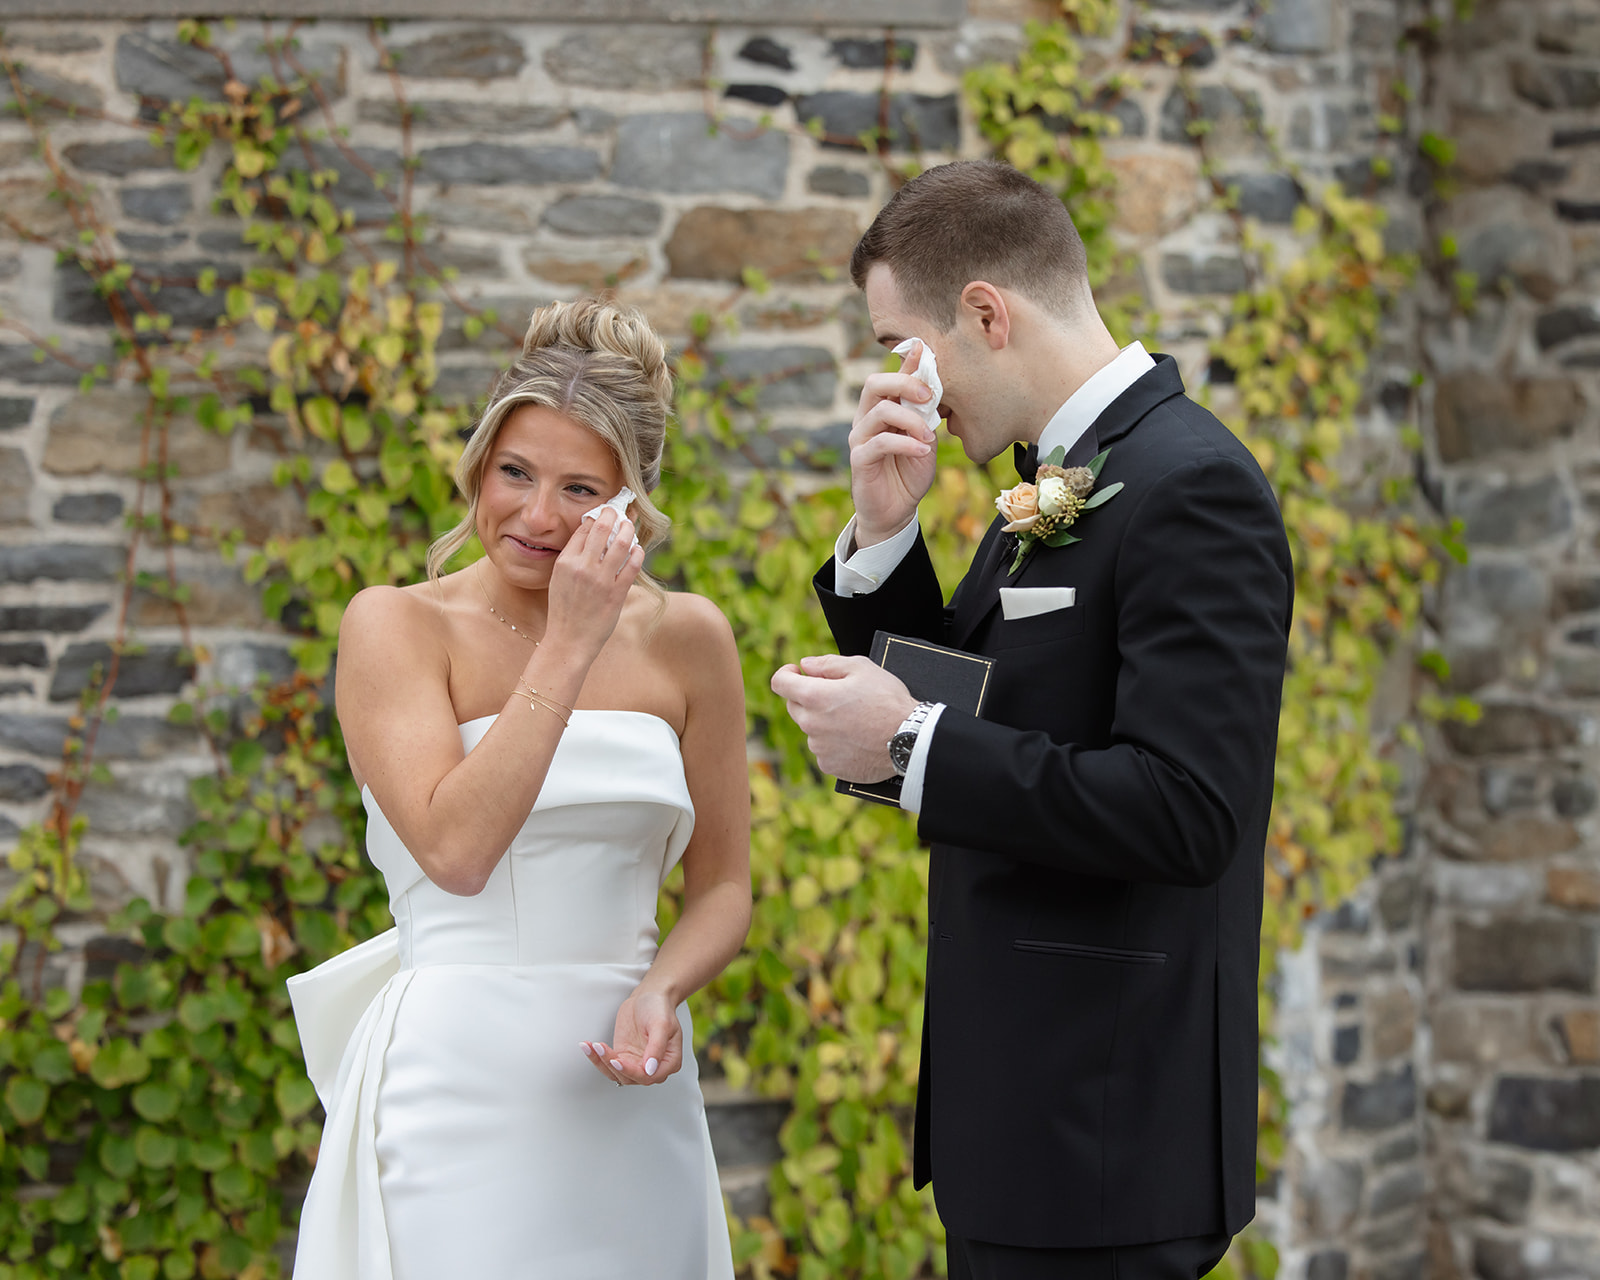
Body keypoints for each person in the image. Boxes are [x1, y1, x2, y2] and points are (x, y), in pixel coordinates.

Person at [771, 160, 1293, 1280]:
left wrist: (907, 744)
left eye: (895, 343)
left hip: (1102, 1131)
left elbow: (1188, 810)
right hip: (1020, 1126)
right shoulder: (1061, 474)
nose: (900, 382)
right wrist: (881, 538)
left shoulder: (1190, 483)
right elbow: (987, 701)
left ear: (985, 314)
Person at [287, 298, 750, 1280]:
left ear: (632, 501)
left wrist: (663, 987)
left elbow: (721, 886)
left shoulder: (690, 637)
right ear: (477, 467)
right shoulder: (392, 626)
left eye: (580, 487)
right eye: (514, 473)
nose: (539, 517)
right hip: (457, 1088)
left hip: (629, 1090)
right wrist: (570, 643)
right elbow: (454, 851)